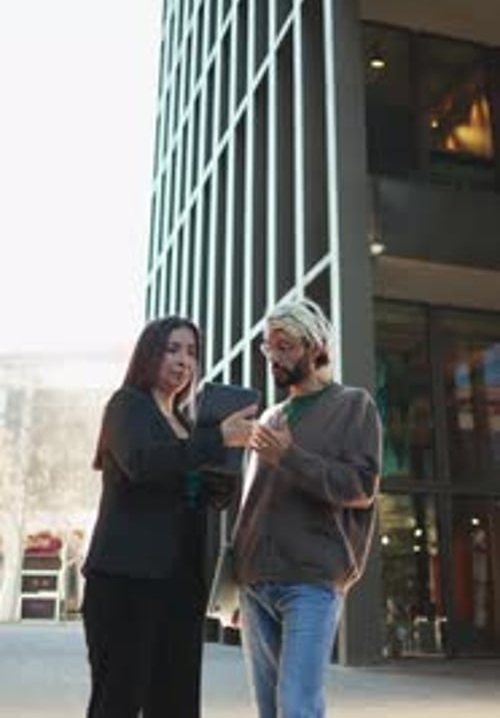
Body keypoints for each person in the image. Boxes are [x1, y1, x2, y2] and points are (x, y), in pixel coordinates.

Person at [81, 316, 256, 718]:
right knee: (118, 700)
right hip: (127, 580)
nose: (184, 362)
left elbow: (196, 495)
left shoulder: (187, 424)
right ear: (149, 354)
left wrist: (224, 474)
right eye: (172, 349)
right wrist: (215, 441)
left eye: (192, 353)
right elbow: (141, 464)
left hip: (180, 583)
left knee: (176, 701)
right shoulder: (127, 405)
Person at [233, 298, 382, 718]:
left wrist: (292, 457)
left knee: (296, 706)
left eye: (285, 346)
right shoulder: (271, 417)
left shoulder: (354, 405)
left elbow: (361, 487)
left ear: (316, 347)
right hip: (255, 584)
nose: (273, 357)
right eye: (267, 347)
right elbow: (252, 504)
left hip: (311, 582)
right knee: (269, 709)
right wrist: (235, 580)